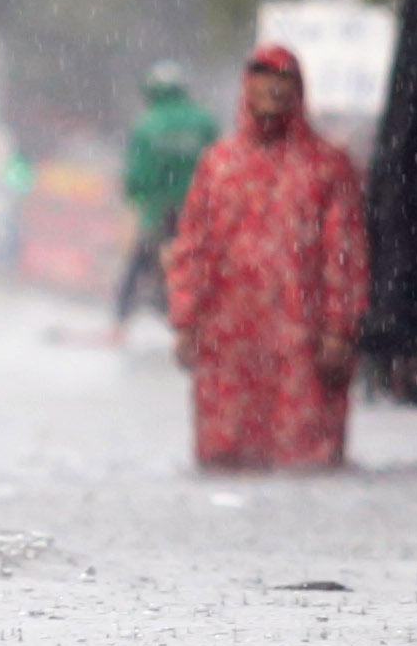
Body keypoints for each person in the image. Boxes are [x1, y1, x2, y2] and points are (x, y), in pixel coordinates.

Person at [164, 43, 370, 469]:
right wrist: (185, 322)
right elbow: (192, 247)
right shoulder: (218, 164)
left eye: (285, 78)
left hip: (302, 351)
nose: (274, 88)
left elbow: (345, 254)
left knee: (304, 465)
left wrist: (339, 330)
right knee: (225, 464)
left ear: (300, 88)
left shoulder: (327, 166)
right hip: (228, 350)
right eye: (264, 75)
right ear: (247, 85)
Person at [116, 62, 218, 335]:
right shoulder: (203, 121)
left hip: (158, 210)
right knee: (203, 268)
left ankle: (119, 323)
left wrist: (135, 196)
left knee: (139, 262)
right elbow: (218, 162)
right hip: (197, 212)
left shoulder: (147, 124)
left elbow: (136, 176)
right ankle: (205, 324)